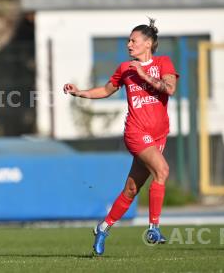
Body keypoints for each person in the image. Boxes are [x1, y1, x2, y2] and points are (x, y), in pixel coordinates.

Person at [63, 19, 178, 255]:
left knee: (131, 190)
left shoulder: (163, 63)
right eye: (128, 40)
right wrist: (79, 93)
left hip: (159, 135)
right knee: (162, 171)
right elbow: (106, 90)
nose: (128, 45)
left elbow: (170, 89)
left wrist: (144, 74)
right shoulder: (125, 68)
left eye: (133, 40)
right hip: (136, 133)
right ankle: (154, 228)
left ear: (148, 43)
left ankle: (103, 228)